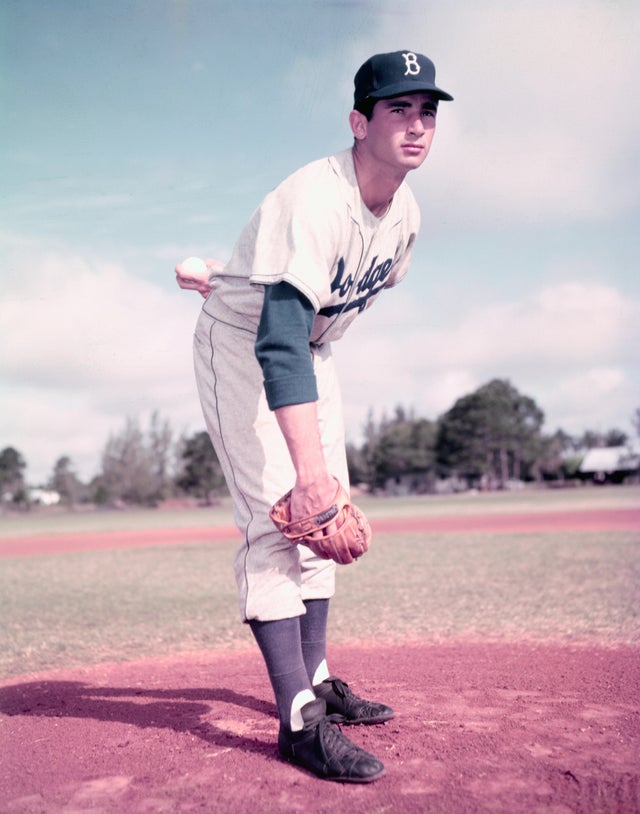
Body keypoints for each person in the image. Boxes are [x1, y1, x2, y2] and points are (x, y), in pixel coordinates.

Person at [176, 50, 453, 783]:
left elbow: (320, 308)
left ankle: (320, 680)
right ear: (360, 122)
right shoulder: (317, 198)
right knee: (282, 513)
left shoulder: (406, 217)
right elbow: (276, 336)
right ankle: (298, 721)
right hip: (245, 348)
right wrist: (307, 468)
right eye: (399, 109)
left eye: (428, 110)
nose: (417, 124)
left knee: (324, 518)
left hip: (309, 353)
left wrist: (228, 270)